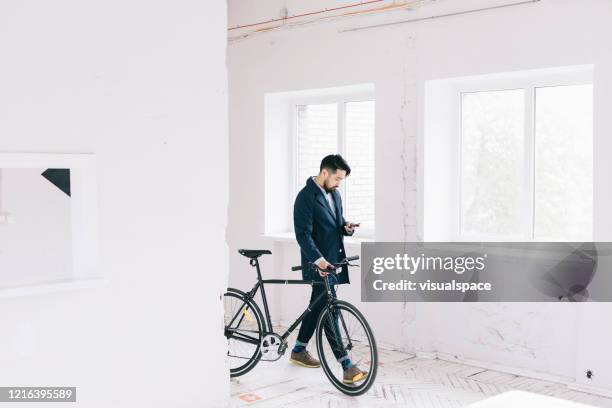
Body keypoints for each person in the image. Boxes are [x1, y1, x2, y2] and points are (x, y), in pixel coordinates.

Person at [290, 154, 367, 384]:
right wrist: (318, 259)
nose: (339, 183)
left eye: (341, 180)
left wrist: (347, 227)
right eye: (337, 178)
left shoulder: (335, 194)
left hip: (333, 262)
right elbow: (302, 235)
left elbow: (336, 223)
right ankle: (346, 364)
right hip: (318, 264)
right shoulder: (305, 198)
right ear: (325, 173)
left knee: (317, 307)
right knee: (329, 311)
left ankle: (298, 350)